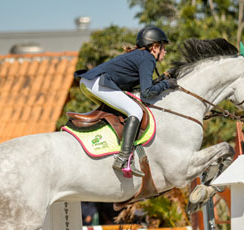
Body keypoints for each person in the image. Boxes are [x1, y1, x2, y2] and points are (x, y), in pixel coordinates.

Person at [75, 26, 177, 177]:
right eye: (163, 47)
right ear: (155, 47)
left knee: (124, 107)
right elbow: (147, 93)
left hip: (89, 82)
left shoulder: (141, 56)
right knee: (135, 111)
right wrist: (167, 84)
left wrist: (161, 80)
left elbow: (142, 87)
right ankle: (123, 157)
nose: (165, 51)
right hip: (96, 82)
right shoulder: (147, 58)